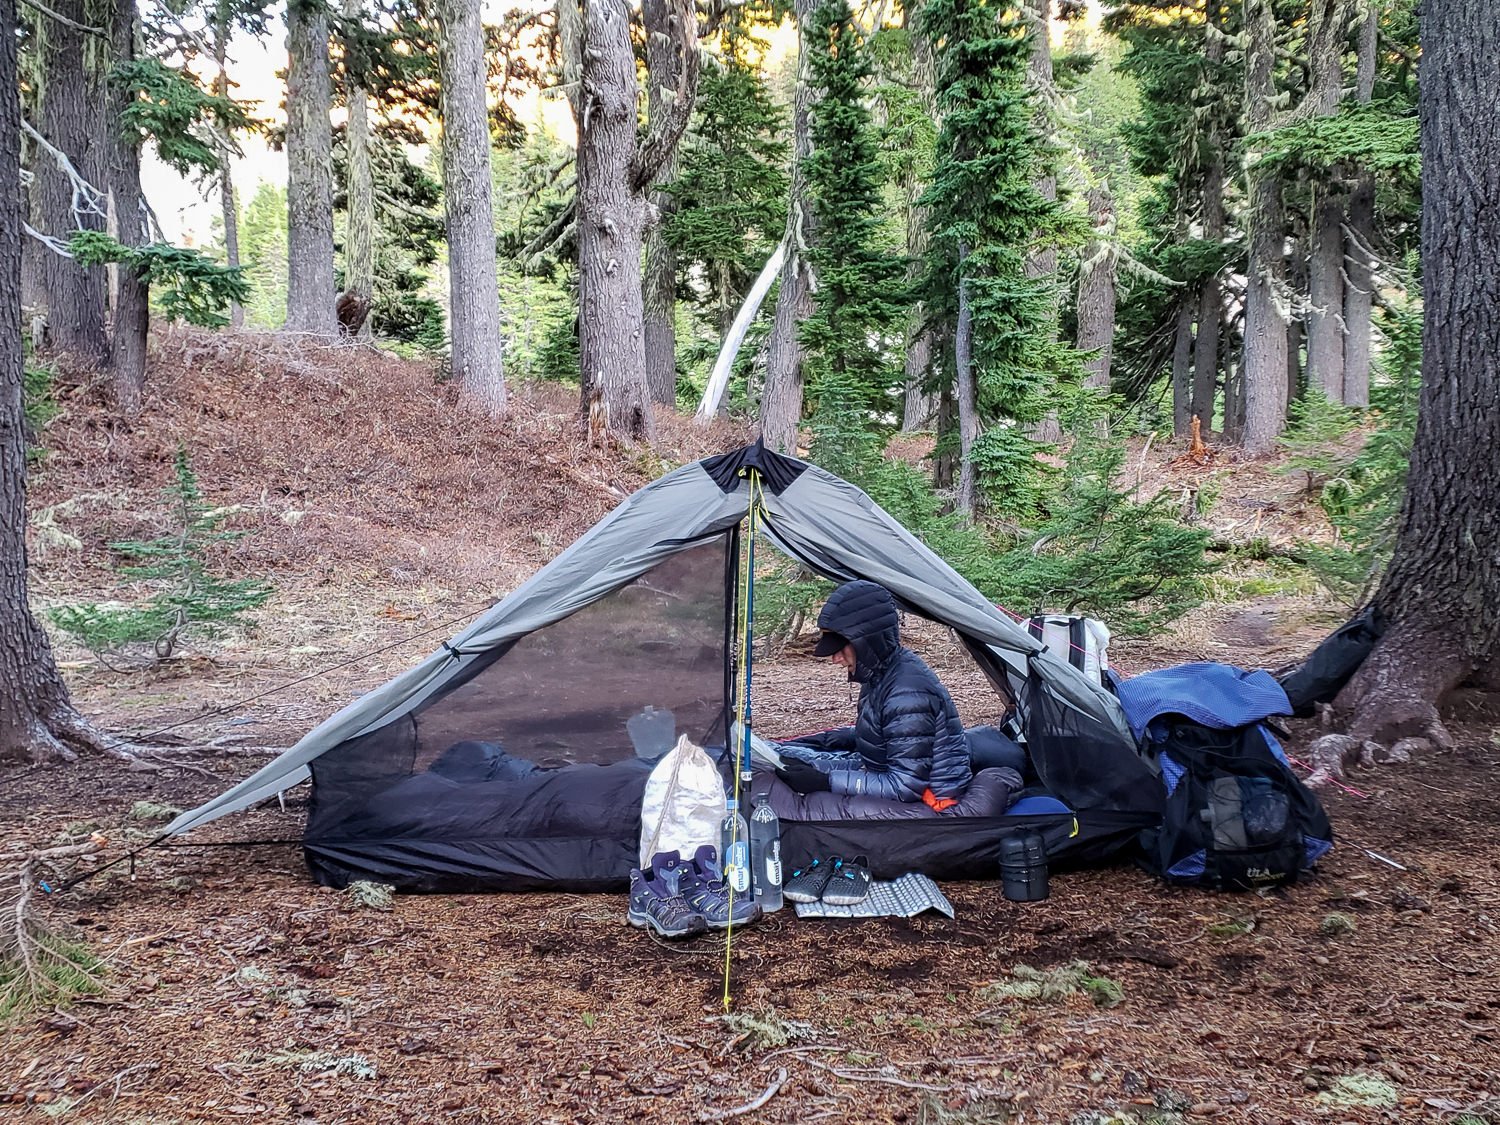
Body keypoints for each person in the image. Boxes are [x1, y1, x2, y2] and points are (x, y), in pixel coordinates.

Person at [775, 580, 972, 806]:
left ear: (867, 640)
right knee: (791, 762)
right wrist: (816, 747)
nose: (835, 658)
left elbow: (904, 786)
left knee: (798, 805)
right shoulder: (883, 672)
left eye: (840, 645)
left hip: (931, 800)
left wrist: (825, 781)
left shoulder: (907, 691)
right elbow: (886, 736)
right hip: (889, 775)